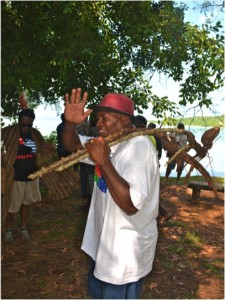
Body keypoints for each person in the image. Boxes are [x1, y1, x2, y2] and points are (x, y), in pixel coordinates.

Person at [62, 88, 159, 299]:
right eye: (97, 118)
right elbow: (71, 145)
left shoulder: (139, 148)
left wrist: (104, 162)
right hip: (103, 245)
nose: (98, 123)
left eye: (104, 118)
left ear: (124, 120)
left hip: (124, 256)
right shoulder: (110, 143)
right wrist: (70, 123)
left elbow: (131, 205)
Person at [1, 108, 44, 242]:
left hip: (31, 175)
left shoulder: (36, 134)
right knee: (12, 205)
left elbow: (41, 152)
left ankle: (24, 227)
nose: (26, 128)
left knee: (26, 203)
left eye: (29, 125)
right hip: (15, 176)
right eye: (23, 125)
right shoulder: (8, 132)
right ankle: (8, 229)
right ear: (18, 122)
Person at [136, 118, 171, 225]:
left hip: (146, 167)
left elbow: (145, 153)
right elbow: (159, 152)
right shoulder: (151, 137)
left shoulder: (145, 138)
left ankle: (162, 213)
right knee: (150, 193)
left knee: (148, 194)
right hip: (150, 166)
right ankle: (162, 213)